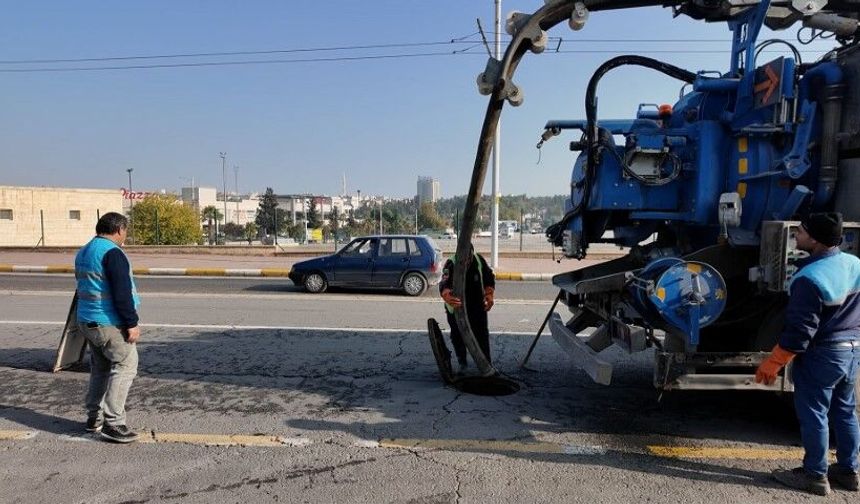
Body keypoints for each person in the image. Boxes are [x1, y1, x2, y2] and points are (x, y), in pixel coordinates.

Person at [756, 212, 860, 495]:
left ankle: (815, 476)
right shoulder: (855, 264)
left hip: (822, 355)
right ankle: (849, 473)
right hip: (851, 351)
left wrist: (774, 363)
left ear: (814, 240)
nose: (796, 236)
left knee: (815, 413)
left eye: (800, 232)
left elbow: (800, 332)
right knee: (846, 411)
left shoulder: (808, 277)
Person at [75, 212, 141, 443]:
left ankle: (94, 418)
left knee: (101, 369)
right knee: (126, 365)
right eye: (125, 232)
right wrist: (131, 323)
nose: (125, 236)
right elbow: (121, 292)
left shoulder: (85, 250)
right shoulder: (113, 253)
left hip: (86, 320)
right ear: (119, 230)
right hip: (108, 321)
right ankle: (114, 423)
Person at [439, 246, 495, 372]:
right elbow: (444, 283)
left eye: (468, 258)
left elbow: (488, 277)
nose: (466, 261)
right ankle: (462, 363)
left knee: (482, 334)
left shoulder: (479, 260)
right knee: (458, 335)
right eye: (463, 258)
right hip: (456, 306)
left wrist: (489, 294)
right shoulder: (451, 263)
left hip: (477, 305)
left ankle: (486, 364)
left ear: (472, 254)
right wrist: (447, 295)